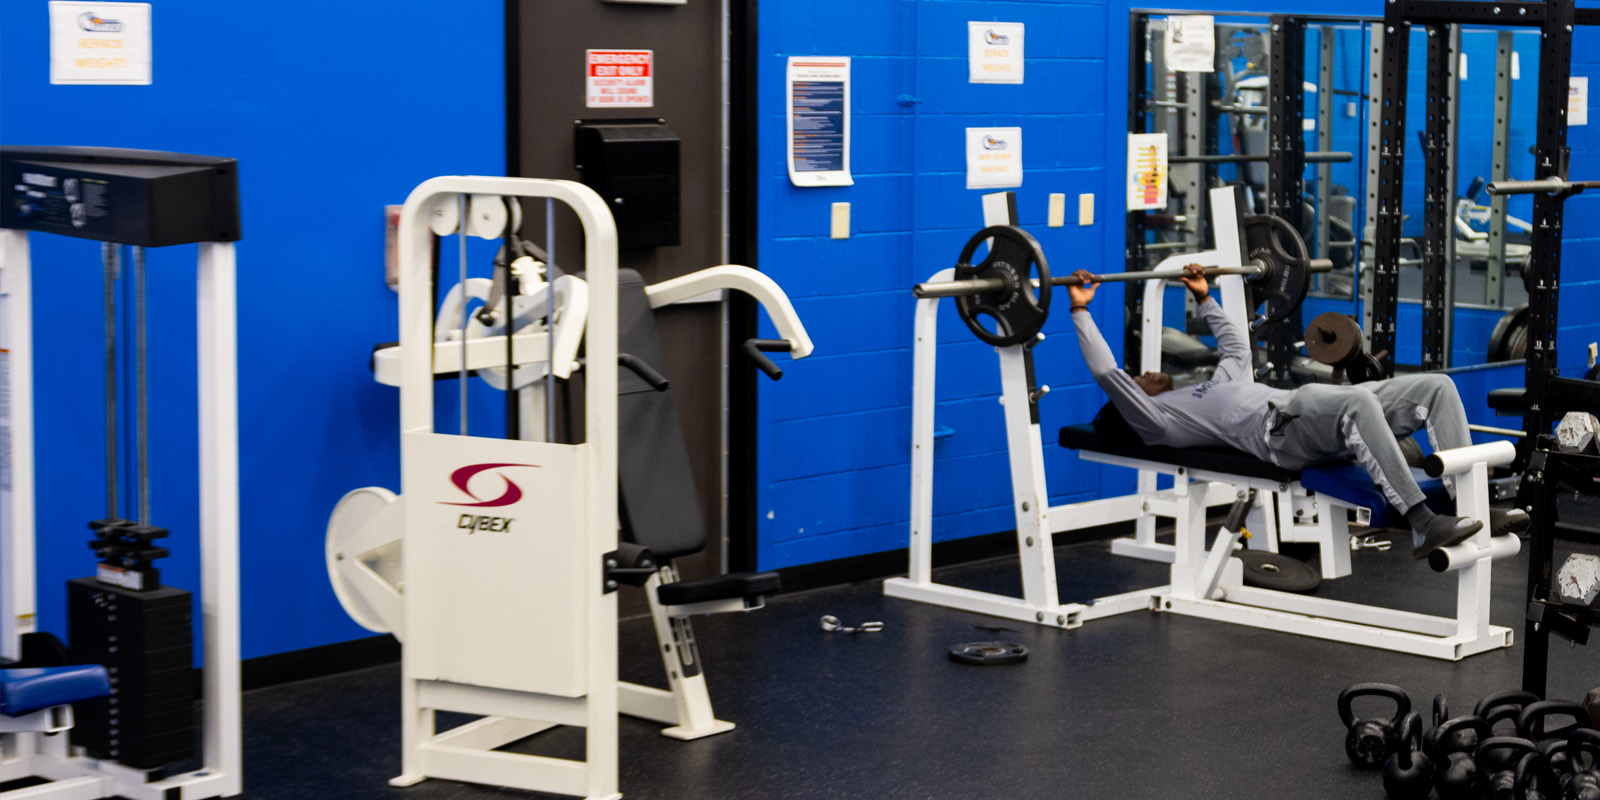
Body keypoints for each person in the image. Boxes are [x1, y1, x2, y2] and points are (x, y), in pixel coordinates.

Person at [1068, 264, 1525, 559]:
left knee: (1436, 388)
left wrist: (1204, 297)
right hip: (1282, 430)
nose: (1145, 372)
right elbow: (1109, 373)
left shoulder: (1205, 390)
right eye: (1140, 379)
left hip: (1303, 414)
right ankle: (1423, 524)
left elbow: (1234, 349)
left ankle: (1472, 505)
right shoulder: (1159, 421)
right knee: (1358, 401)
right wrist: (1080, 311)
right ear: (1134, 406)